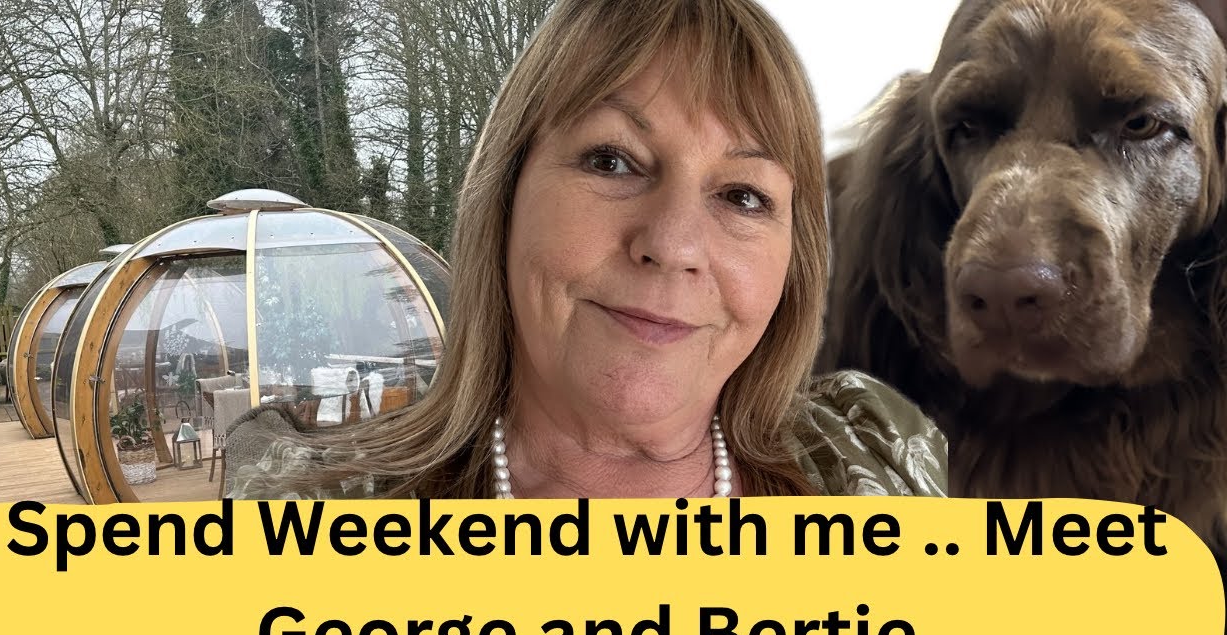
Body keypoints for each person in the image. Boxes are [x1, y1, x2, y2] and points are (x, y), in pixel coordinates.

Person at [226, 0, 947, 501]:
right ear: (506, 195)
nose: (672, 245)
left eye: (742, 196)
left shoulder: (879, 462)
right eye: (612, 161)